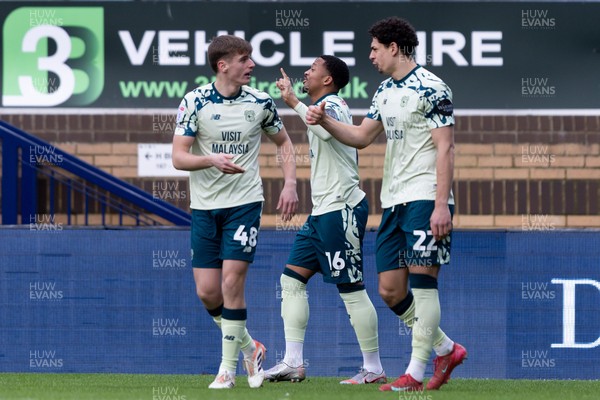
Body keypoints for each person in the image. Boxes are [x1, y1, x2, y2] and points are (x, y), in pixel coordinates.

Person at [305, 17, 467, 392]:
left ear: (394, 47)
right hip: (393, 201)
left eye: (375, 48)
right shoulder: (383, 91)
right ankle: (446, 348)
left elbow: (446, 146)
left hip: (426, 196)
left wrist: (441, 204)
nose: (371, 55)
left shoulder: (432, 87)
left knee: (424, 284)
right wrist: (325, 121)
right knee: (391, 290)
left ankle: (414, 372)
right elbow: (361, 137)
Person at [172, 34, 299, 390]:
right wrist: (209, 159)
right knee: (208, 292)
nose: (252, 65)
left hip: (244, 204)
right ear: (223, 65)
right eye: (245, 60)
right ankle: (250, 345)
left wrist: (290, 184)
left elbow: (284, 143)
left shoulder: (260, 102)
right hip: (204, 208)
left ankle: (227, 370)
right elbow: (179, 157)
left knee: (231, 282)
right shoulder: (194, 101)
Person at [264, 56, 386, 385]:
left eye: (314, 68)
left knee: (350, 288)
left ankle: (373, 367)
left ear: (328, 79)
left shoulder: (332, 104)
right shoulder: (321, 104)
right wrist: (298, 103)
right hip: (321, 213)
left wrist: (291, 100)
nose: (306, 71)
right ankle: (292, 361)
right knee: (291, 280)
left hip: (342, 209)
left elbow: (327, 131)